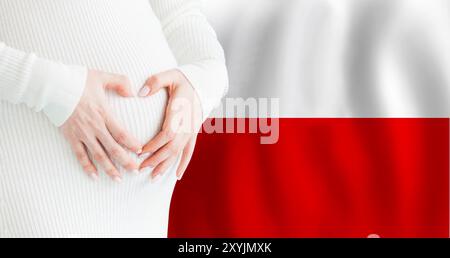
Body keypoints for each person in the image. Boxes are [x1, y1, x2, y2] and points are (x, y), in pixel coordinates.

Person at [0, 0, 228, 238]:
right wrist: (54, 90)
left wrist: (203, 79)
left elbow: (179, 14)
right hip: (37, 175)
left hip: (146, 200)